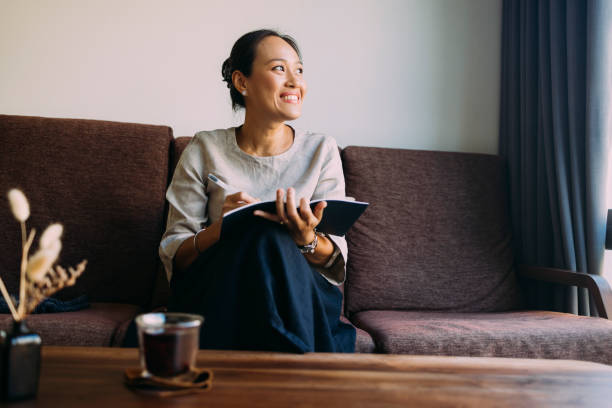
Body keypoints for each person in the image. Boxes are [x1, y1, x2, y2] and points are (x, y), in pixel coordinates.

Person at [159, 29, 355, 353]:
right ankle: (299, 368)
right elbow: (174, 255)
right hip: (221, 290)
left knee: (270, 237)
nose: (295, 82)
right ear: (242, 82)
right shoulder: (205, 148)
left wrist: (305, 238)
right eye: (280, 69)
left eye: (300, 70)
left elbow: (335, 261)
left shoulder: (321, 150)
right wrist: (221, 230)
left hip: (301, 296)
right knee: (258, 236)